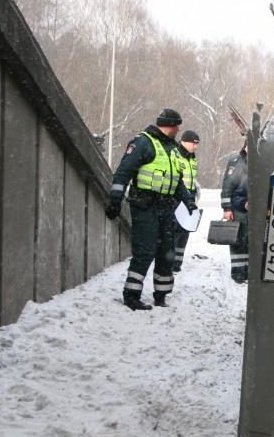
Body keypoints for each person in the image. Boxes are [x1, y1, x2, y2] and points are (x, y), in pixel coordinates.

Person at [104, 108, 197, 310]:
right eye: (177, 125)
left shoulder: (171, 148)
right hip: (145, 205)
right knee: (145, 250)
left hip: (166, 207)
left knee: (166, 252)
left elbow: (176, 180)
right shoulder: (143, 142)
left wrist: (188, 200)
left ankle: (161, 294)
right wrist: (115, 200)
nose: (178, 129)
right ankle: (131, 295)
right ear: (170, 125)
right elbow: (123, 172)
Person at [173, 129, 200, 273]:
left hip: (189, 198)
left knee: (185, 232)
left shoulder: (192, 158)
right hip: (176, 199)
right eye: (193, 143)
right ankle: (169, 262)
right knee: (174, 232)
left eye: (197, 144)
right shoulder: (176, 154)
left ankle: (177, 263)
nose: (195, 146)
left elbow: (192, 180)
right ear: (183, 141)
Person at [220, 142, 248, 283]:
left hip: (253, 209)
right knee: (238, 240)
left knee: (249, 242)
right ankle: (238, 273)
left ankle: (247, 272)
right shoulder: (236, 161)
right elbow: (227, 186)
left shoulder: (261, 161)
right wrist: (227, 208)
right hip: (238, 207)